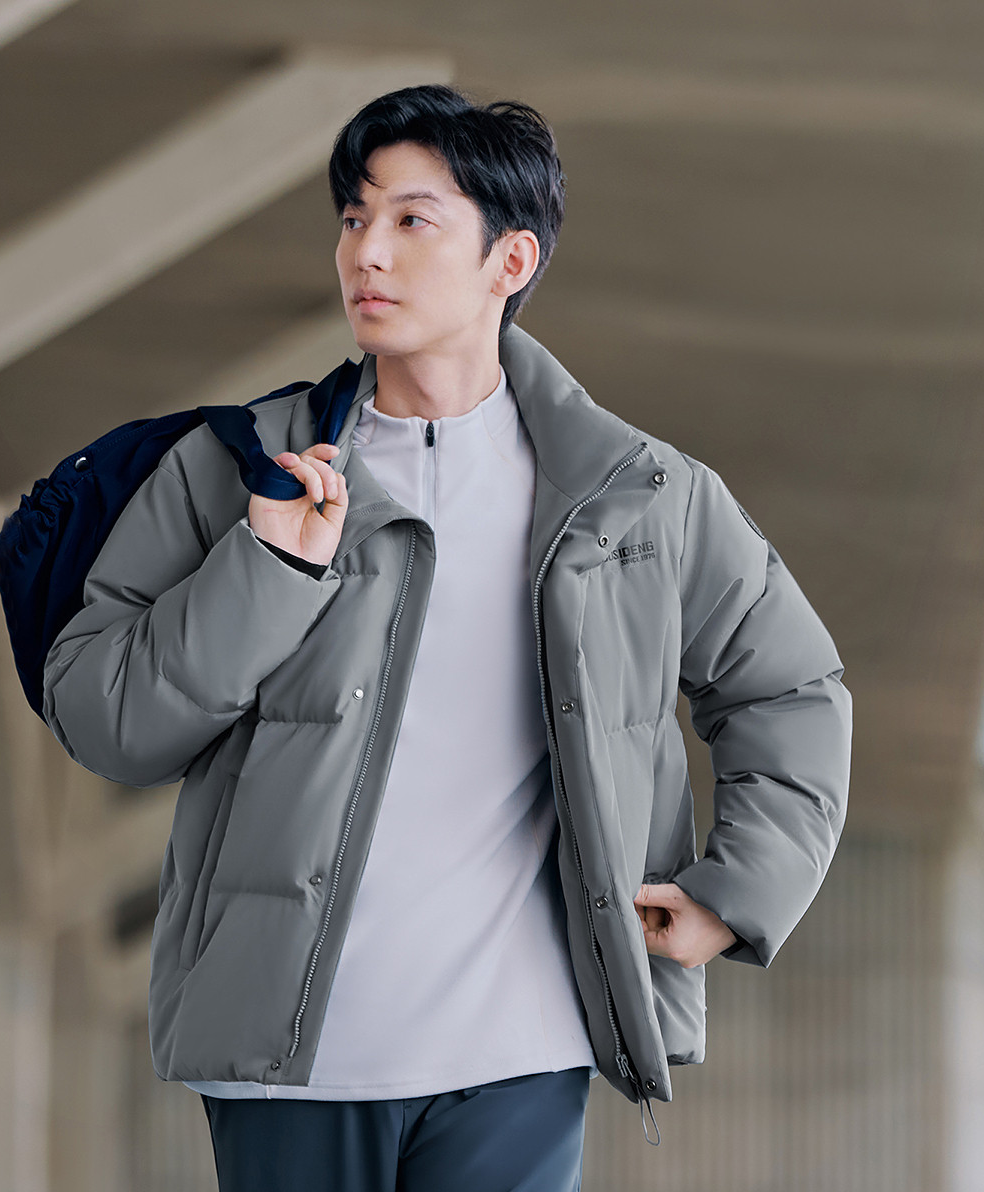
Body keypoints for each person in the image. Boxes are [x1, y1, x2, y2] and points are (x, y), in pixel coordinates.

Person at [42, 83, 852, 1191]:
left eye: (412, 219)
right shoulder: (241, 470)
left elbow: (791, 690)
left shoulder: (637, 497)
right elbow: (106, 719)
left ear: (510, 261)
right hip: (289, 1066)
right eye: (353, 217)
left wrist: (736, 892)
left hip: (521, 1054)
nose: (366, 252)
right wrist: (267, 569)